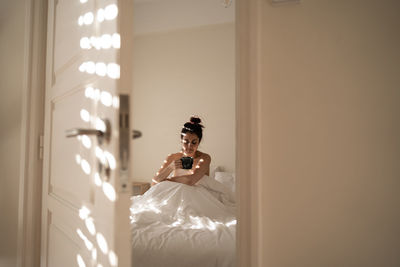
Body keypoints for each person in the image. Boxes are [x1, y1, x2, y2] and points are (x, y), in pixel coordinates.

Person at [151, 116, 211, 186]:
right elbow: (154, 183)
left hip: (197, 194)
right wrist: (170, 167)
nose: (189, 146)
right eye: (186, 142)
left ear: (199, 142)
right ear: (181, 141)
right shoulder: (173, 157)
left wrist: (166, 181)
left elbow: (190, 181)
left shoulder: (204, 158)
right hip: (175, 191)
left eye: (194, 142)